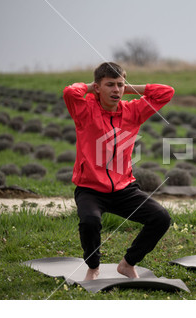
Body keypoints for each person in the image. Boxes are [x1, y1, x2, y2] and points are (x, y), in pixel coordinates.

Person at [63, 62, 175, 280]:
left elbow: (166, 92)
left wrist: (128, 87)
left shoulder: (133, 110)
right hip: (90, 189)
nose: (116, 90)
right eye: (110, 85)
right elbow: (70, 91)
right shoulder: (85, 110)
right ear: (97, 87)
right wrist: (94, 86)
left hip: (124, 189)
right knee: (90, 222)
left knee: (160, 218)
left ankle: (127, 263)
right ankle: (93, 266)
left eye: (120, 85)